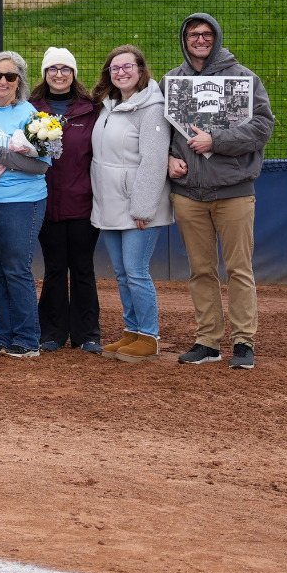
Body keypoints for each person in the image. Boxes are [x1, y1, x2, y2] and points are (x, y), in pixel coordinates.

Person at [167, 13, 275, 370]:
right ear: (184, 39)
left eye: (206, 34)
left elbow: (262, 126)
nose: (200, 39)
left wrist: (218, 140)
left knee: (239, 270)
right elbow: (158, 134)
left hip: (233, 190)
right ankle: (207, 341)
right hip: (188, 194)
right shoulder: (172, 82)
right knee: (200, 270)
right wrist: (169, 160)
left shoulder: (243, 78)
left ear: (216, 37)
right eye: (193, 34)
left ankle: (243, 342)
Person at [90, 46, 170, 362]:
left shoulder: (152, 107)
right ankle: (132, 332)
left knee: (137, 271)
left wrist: (143, 207)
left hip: (139, 207)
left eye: (128, 66)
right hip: (109, 204)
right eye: (115, 68)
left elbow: (153, 161)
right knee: (123, 273)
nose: (121, 72)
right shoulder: (106, 106)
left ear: (140, 69)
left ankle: (149, 337)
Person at [0, 51, 50, 357]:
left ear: (19, 82)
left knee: (17, 270)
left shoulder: (30, 115)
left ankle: (27, 338)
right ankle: (3, 334)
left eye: (10, 76)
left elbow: (40, 166)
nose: (3, 81)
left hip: (21, 202)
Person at [32, 47, 101, 355]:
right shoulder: (30, 109)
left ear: (74, 74)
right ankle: (52, 332)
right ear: (45, 74)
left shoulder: (91, 109)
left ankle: (88, 334)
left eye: (65, 69)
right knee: (55, 268)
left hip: (83, 204)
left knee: (83, 268)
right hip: (45, 204)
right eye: (52, 69)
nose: (59, 74)